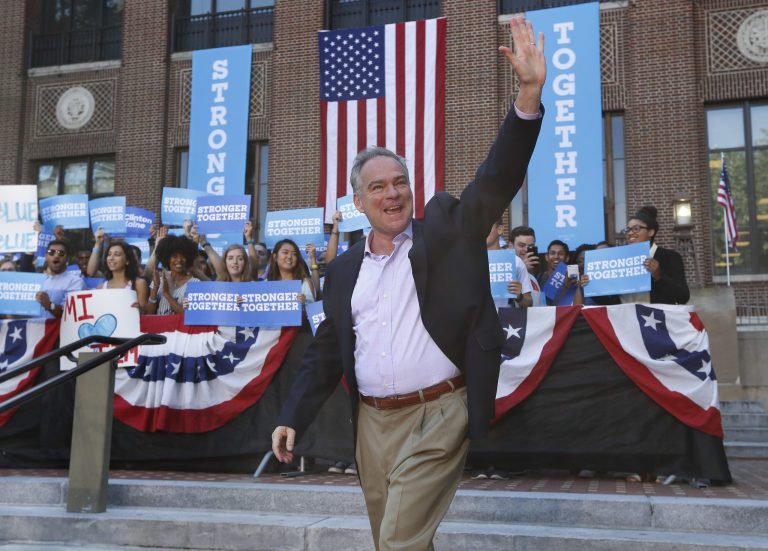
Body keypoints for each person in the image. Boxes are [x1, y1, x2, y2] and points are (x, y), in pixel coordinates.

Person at [272, 16, 544, 551]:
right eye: (378, 187)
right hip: (372, 424)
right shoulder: (344, 270)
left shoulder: (446, 229)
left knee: (398, 542)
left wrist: (528, 95)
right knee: (395, 542)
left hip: (439, 414)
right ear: (358, 203)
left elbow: (496, 178)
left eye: (400, 183)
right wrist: (292, 416)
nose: (392, 194)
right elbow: (326, 352)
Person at [626, 205, 690, 305]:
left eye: (636, 229)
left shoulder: (670, 257)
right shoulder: (623, 260)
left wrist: (659, 277)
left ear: (651, 232)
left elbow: (683, 297)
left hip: (659, 318)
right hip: (628, 318)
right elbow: (614, 299)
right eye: (628, 229)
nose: (630, 233)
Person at [145, 234, 200, 315]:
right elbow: (149, 314)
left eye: (183, 256)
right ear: (166, 258)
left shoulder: (195, 283)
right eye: (174, 256)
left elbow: (189, 315)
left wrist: (167, 294)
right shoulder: (158, 281)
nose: (179, 260)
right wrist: (155, 288)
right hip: (160, 327)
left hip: (181, 328)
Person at [486, 219, 532, 309]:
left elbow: (529, 302)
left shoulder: (516, 262)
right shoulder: (470, 261)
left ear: (500, 230)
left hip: (505, 321)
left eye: (487, 226)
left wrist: (519, 296)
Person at [35, 239, 85, 319]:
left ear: (67, 259)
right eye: (51, 252)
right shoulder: (35, 280)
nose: (56, 256)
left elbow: (71, 314)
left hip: (59, 331)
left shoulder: (75, 282)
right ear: (46, 256)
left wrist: (49, 305)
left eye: (61, 253)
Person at [98, 240, 149, 313]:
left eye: (117, 254)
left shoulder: (139, 284)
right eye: (109, 254)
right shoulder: (100, 288)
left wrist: (139, 310)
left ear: (127, 261)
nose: (111, 258)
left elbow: (144, 313)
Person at [266, 239, 316, 304]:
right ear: (275, 257)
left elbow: (313, 310)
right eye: (285, 252)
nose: (289, 257)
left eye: (294, 254)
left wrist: (304, 304)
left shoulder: (305, 283)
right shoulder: (266, 283)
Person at [510, 225, 543, 306]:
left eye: (530, 246)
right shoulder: (504, 275)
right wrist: (521, 268)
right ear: (511, 246)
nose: (526, 250)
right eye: (521, 245)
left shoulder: (533, 279)